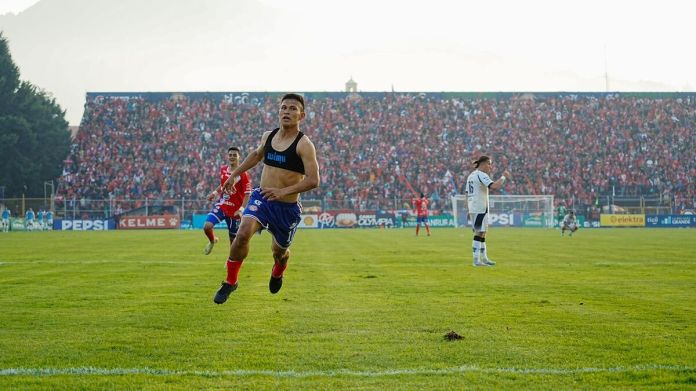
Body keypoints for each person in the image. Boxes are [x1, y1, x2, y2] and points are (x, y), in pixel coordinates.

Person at [213, 93, 320, 304]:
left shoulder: (304, 144)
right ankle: (230, 281)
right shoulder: (268, 136)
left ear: (302, 115)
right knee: (242, 233)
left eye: (292, 108)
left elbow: (314, 180)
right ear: (278, 111)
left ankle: (278, 270)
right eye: (284, 107)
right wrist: (235, 175)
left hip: (286, 208)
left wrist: (283, 191)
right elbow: (255, 155)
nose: (287, 112)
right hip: (261, 198)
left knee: (279, 252)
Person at [202, 147, 252, 255]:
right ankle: (212, 241)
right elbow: (223, 185)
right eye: (230, 155)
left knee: (233, 242)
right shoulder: (223, 169)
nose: (232, 157)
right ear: (227, 156)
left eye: (234, 155)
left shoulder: (244, 174)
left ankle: (231, 259)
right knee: (207, 226)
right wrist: (214, 193)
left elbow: (247, 194)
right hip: (222, 205)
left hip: (235, 211)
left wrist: (241, 209)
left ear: (239, 157)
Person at [465, 155, 511, 267]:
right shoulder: (481, 175)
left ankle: (484, 258)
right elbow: (494, 186)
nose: (490, 167)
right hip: (479, 207)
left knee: (483, 232)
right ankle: (476, 260)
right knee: (479, 232)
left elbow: (467, 193)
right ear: (484, 163)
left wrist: (468, 209)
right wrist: (503, 177)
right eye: (489, 164)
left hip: (476, 206)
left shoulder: (471, 176)